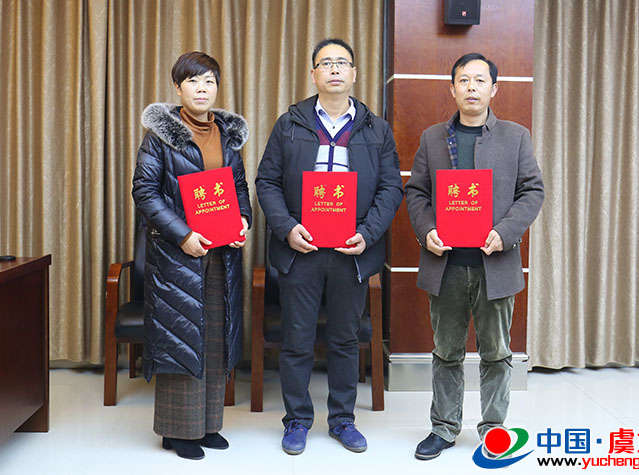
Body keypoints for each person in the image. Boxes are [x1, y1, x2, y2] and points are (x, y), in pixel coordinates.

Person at [256, 38, 403, 455]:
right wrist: (287, 229)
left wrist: (368, 233)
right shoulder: (289, 124)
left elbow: (392, 187)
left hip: (351, 252)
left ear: (354, 73)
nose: (334, 69)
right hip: (300, 250)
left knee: (344, 340)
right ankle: (297, 420)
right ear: (314, 74)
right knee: (297, 340)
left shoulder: (376, 128)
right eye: (326, 63)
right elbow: (266, 182)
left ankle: (342, 419)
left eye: (342, 62)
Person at [405, 53, 544, 460]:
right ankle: (444, 428)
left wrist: (505, 233)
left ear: (493, 89)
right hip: (446, 265)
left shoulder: (516, 136)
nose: (471, 87)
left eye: (479, 80)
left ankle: (494, 430)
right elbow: (416, 192)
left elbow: (532, 191)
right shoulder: (433, 138)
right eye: (463, 80)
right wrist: (426, 230)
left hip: (495, 263)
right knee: (445, 351)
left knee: (497, 353)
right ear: (452, 88)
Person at [132, 51, 251, 460]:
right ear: (178, 88)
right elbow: (145, 192)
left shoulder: (227, 136)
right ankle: (178, 430)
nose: (202, 89)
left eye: (209, 81)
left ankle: (207, 424)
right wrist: (183, 235)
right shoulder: (159, 138)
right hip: (177, 257)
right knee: (180, 338)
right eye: (193, 81)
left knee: (215, 337)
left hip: (221, 255)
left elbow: (238, 187)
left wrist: (243, 220)